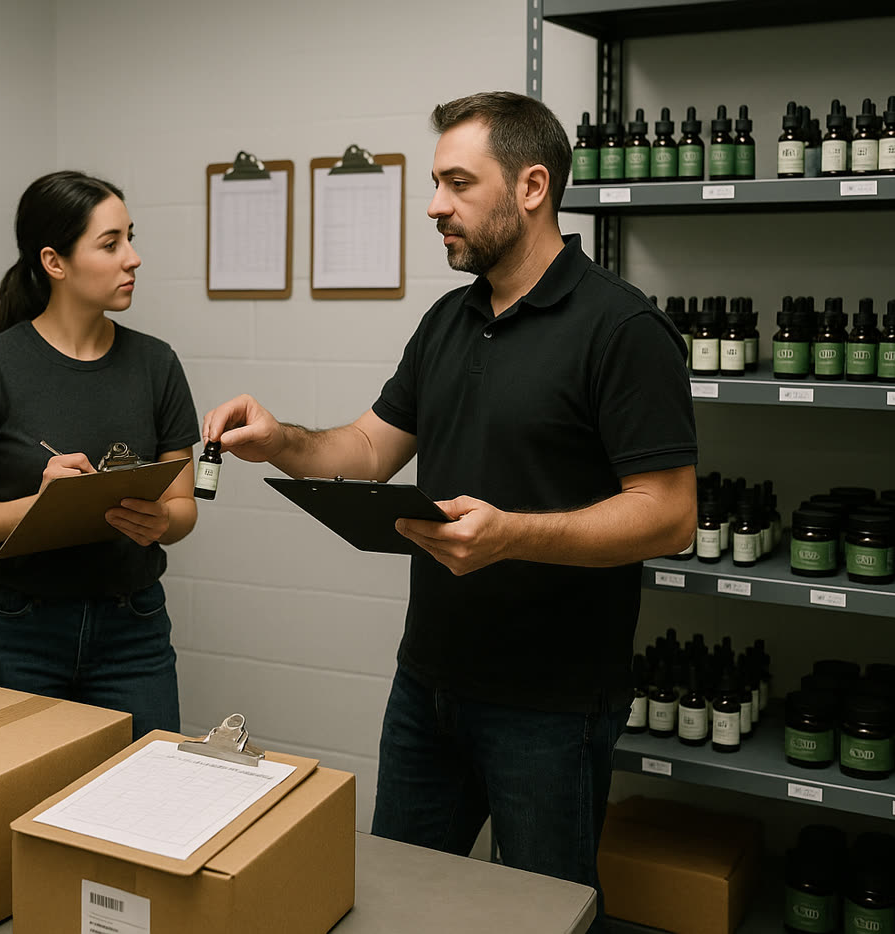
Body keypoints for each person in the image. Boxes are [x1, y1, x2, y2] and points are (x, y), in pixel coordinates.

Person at [202, 92, 697, 926]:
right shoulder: (448, 320)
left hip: (551, 706)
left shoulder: (622, 329)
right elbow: (366, 448)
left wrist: (515, 536)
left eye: (457, 184)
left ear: (532, 187)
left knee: (545, 916)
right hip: (427, 687)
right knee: (396, 903)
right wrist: (277, 437)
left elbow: (668, 513)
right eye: (436, 183)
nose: (434, 205)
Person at [0, 171, 200, 740]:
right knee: (15, 811)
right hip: (16, 632)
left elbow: (183, 510)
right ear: (54, 262)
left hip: (134, 631)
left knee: (143, 809)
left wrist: (161, 521)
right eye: (111, 244)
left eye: (131, 237)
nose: (133, 258)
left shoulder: (158, 366)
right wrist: (40, 505)